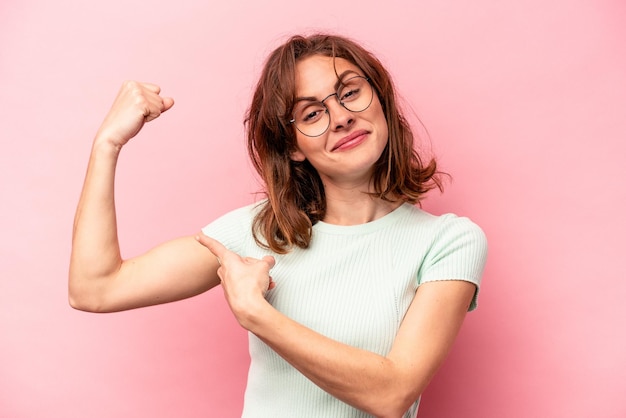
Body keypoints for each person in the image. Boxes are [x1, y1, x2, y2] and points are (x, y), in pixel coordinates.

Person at [69, 33, 488, 418]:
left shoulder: (448, 242)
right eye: (311, 114)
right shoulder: (258, 234)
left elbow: (392, 392)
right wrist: (107, 144)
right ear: (293, 148)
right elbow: (95, 289)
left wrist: (257, 314)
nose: (340, 117)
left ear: (379, 98)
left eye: (349, 93)